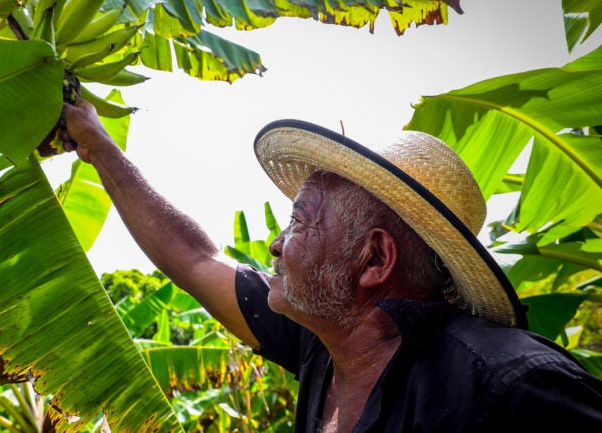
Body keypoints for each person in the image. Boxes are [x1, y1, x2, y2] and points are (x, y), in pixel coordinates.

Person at [61, 99, 602, 432]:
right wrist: (100, 147)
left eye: (299, 222)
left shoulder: (513, 389)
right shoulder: (325, 343)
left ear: (373, 260)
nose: (275, 244)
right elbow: (195, 258)